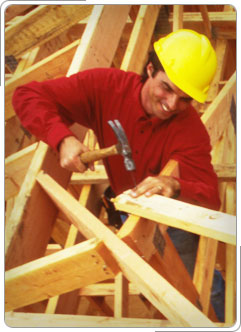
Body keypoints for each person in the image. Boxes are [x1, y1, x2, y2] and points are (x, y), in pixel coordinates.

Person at [12, 29, 224, 320]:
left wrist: (174, 185)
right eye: (167, 88)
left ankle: (219, 316)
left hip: (172, 221)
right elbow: (27, 95)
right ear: (150, 69)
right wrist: (61, 138)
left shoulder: (190, 131)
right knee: (153, 284)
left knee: (201, 289)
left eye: (185, 99)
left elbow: (211, 197)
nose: (172, 104)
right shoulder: (105, 87)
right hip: (128, 208)